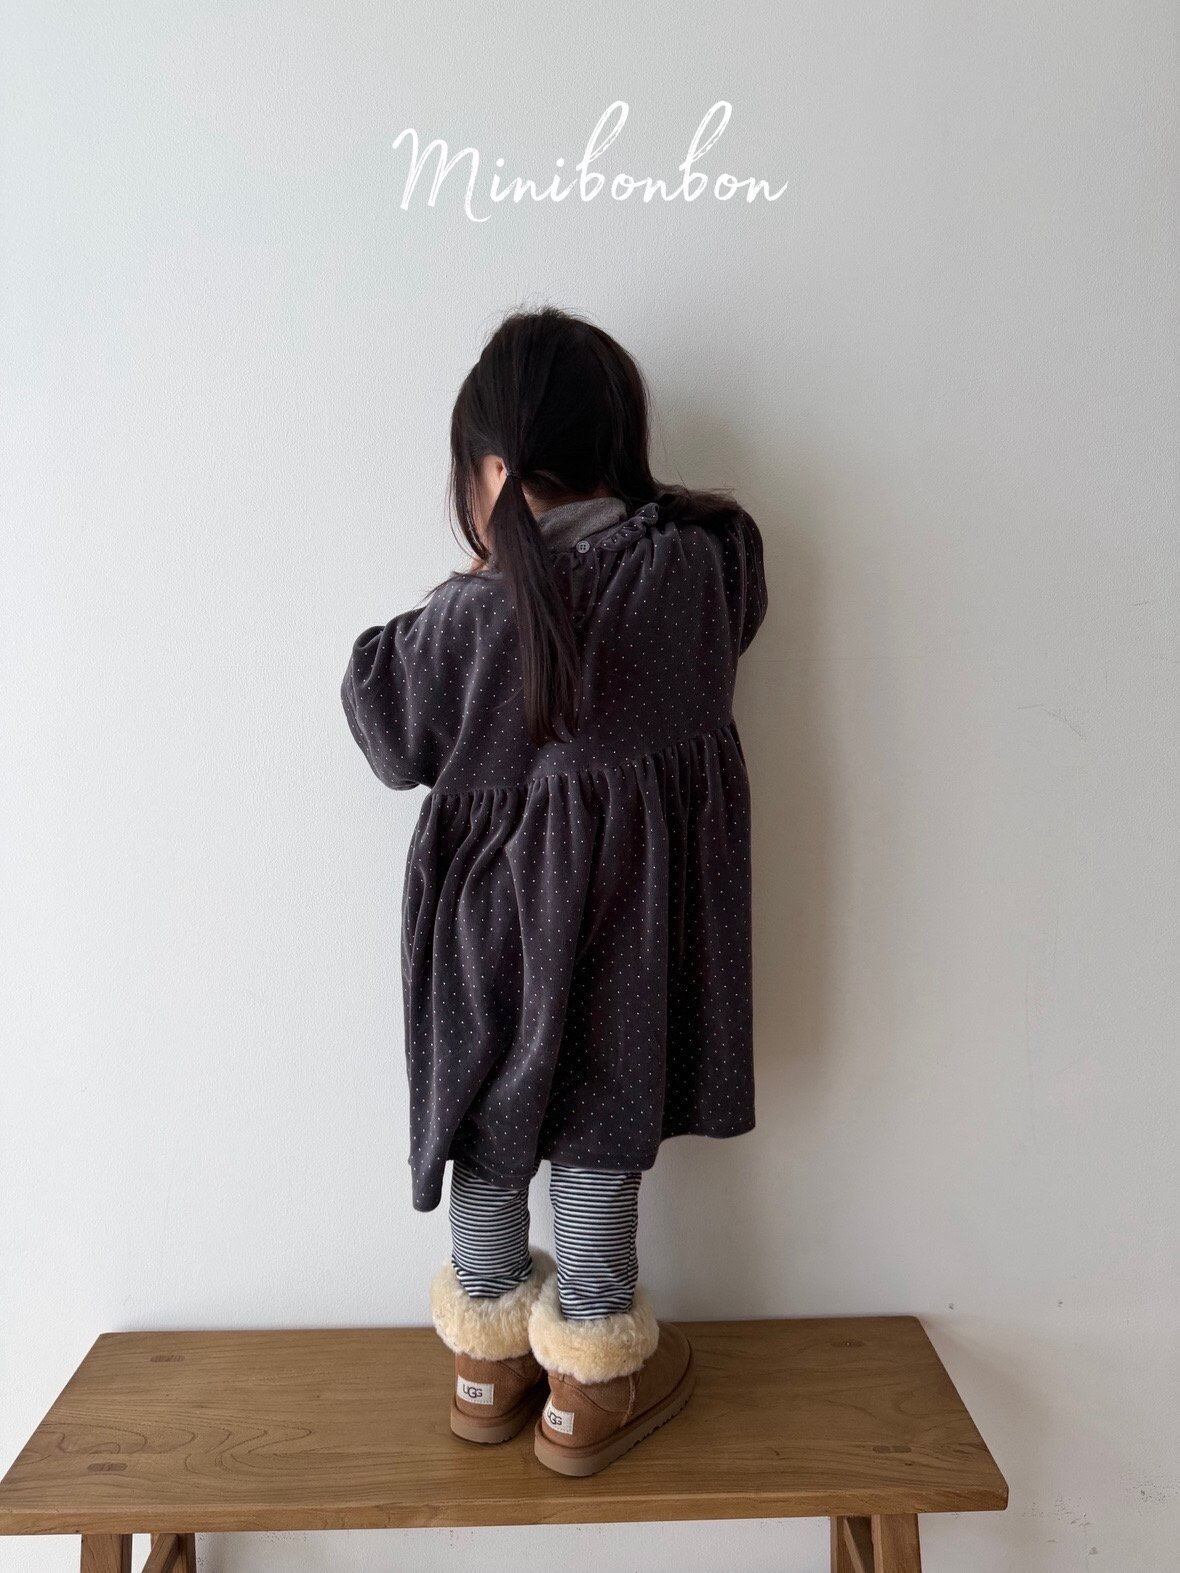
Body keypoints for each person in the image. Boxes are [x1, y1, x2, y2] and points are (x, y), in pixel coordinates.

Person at [342, 306, 767, 1475]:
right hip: (632, 926)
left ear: (487, 469)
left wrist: (487, 571)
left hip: (483, 931)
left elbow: (381, 721)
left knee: (487, 1130)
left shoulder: (462, 625)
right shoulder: (684, 573)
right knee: (596, 1129)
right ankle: (589, 1381)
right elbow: (739, 568)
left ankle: (484, 1369)